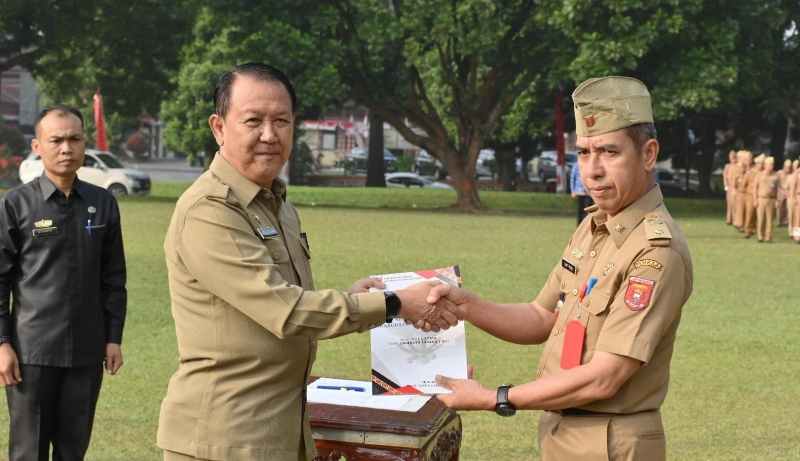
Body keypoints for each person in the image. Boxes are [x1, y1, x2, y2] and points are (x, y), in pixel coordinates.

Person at [156, 63, 455, 461]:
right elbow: (287, 311)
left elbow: (287, 301)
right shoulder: (210, 212)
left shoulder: (277, 205)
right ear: (219, 127)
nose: (269, 134)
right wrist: (394, 304)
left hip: (282, 431)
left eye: (281, 120)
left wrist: (353, 298)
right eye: (253, 121)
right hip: (224, 439)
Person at [425, 77, 693, 461]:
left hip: (612, 442)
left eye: (609, 152)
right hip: (565, 432)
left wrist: (493, 398)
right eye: (584, 153)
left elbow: (606, 376)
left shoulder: (655, 251)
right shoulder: (594, 226)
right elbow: (541, 315)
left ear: (648, 154)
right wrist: (466, 306)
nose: (593, 170)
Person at [0, 106, 127, 460]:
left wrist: (113, 337)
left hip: (87, 352)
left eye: (74, 139)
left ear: (84, 143)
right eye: (56, 140)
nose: (66, 148)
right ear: (37, 145)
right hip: (32, 353)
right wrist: (2, 343)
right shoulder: (15, 205)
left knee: (73, 451)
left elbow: (113, 277)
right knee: (29, 451)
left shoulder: (103, 204)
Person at [754, 156, 779, 242]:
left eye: (772, 165)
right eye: (769, 165)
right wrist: (755, 199)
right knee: (760, 218)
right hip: (761, 199)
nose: (771, 166)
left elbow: (777, 189)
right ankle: (760, 236)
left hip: (771, 200)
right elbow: (755, 188)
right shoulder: (759, 175)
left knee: (769, 219)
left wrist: (776, 200)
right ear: (765, 165)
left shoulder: (775, 176)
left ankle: (768, 236)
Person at [743, 154, 763, 238]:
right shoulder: (750, 172)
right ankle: (747, 230)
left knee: (758, 215)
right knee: (750, 213)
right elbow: (744, 184)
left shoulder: (763, 173)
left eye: (762, 163)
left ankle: (756, 229)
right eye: (760, 163)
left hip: (760, 196)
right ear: (757, 163)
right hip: (750, 195)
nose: (761, 165)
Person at [733, 150, 751, 232]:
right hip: (740, 192)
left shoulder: (749, 169)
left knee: (746, 210)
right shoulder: (738, 168)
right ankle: (739, 224)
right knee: (740, 209)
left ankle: (745, 225)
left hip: (747, 193)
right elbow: (735, 181)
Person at [570, 161, 592, 225]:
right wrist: (573, 191)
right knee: (580, 211)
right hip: (579, 192)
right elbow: (572, 178)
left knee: (588, 211)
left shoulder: (589, 164)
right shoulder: (576, 165)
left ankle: (586, 226)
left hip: (588, 193)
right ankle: (579, 227)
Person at [723, 150, 737, 225]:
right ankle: (729, 219)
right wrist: (725, 185)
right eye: (730, 157)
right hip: (729, 187)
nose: (732, 158)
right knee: (729, 204)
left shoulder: (738, 166)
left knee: (735, 204)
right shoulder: (727, 166)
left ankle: (735, 219)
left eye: (733, 157)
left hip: (736, 188)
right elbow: (725, 176)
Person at [777, 159, 792, 226]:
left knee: (787, 207)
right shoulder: (779, 173)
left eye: (789, 167)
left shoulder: (791, 174)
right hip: (780, 191)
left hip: (788, 191)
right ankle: (780, 221)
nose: (788, 168)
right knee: (780, 207)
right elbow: (777, 183)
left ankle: (786, 221)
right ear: (784, 167)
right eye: (786, 167)